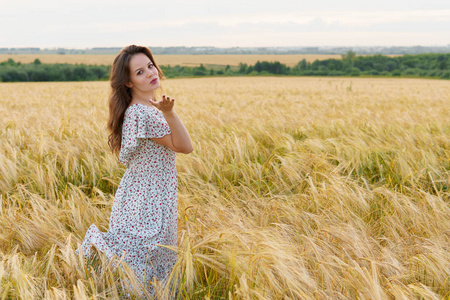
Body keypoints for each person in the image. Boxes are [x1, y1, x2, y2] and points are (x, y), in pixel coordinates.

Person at [77, 45, 193, 296]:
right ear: (128, 82)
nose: (150, 73)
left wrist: (165, 112)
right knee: (146, 265)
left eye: (150, 65)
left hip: (140, 197)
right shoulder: (145, 114)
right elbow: (185, 146)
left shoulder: (141, 110)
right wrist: (170, 114)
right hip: (149, 202)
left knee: (137, 263)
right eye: (139, 72)